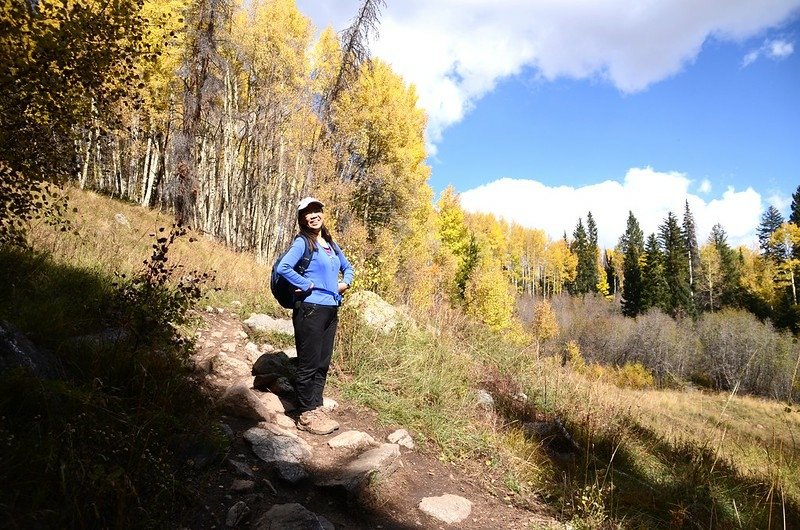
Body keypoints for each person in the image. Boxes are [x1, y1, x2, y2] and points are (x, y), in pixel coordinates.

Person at [276, 196, 354, 435]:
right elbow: (284, 267)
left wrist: (345, 284)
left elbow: (348, 267)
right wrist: (306, 284)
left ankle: (316, 406)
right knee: (308, 364)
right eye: (307, 212)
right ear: (302, 219)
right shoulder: (302, 242)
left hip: (331, 308)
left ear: (322, 213)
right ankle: (306, 414)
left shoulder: (330, 243)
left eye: (316, 210)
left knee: (322, 363)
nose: (313, 215)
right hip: (310, 309)